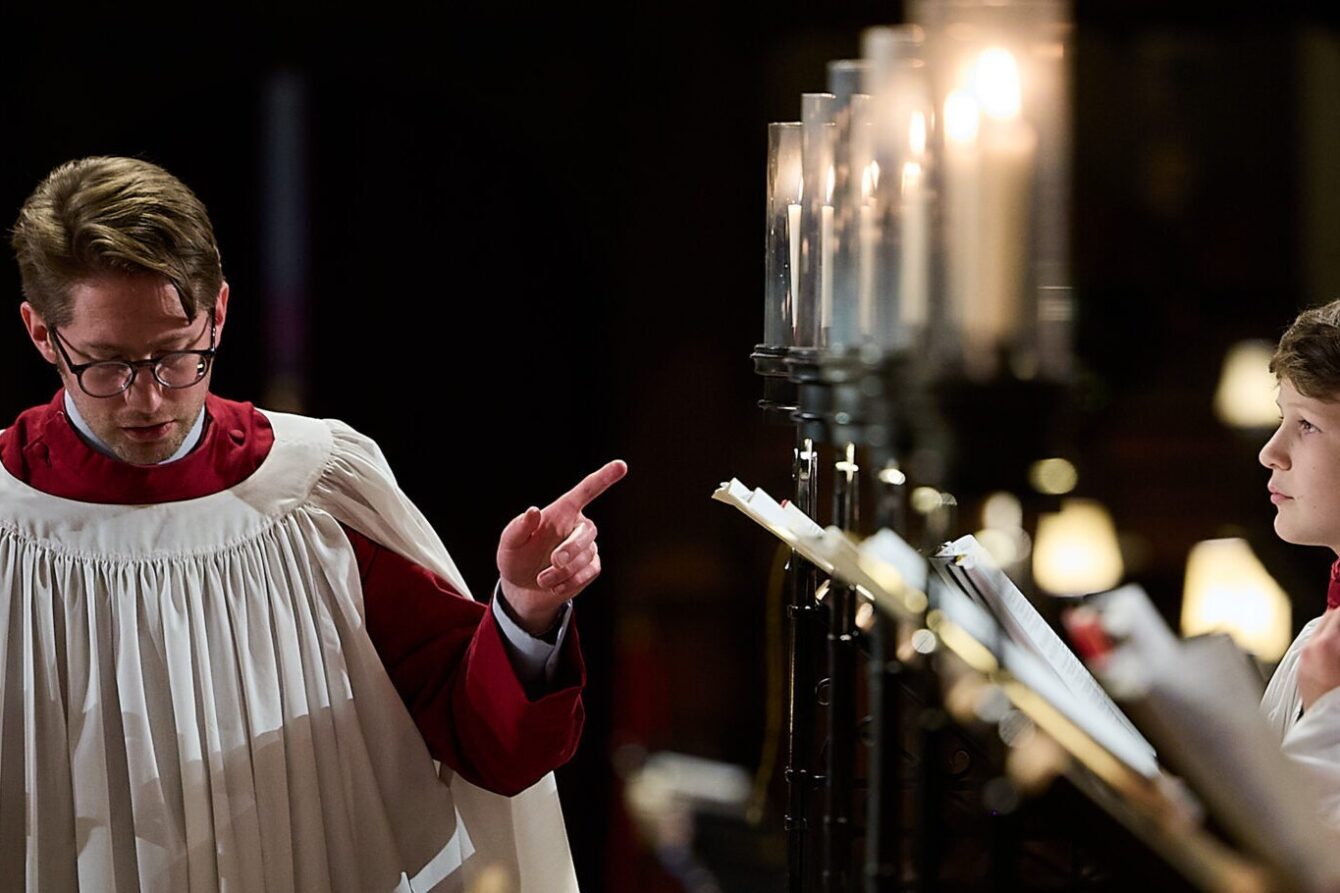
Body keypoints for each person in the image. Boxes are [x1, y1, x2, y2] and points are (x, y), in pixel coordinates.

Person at [0, 155, 626, 891]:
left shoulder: (317, 490)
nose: (149, 400)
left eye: (176, 355)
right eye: (107, 365)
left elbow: (483, 742)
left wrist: (523, 610)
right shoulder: (10, 522)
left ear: (219, 313)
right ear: (42, 334)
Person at [1258, 298, 1340, 821]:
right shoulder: (1318, 638)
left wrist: (1329, 711)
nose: (1270, 451)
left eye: (1306, 424)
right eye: (1282, 418)